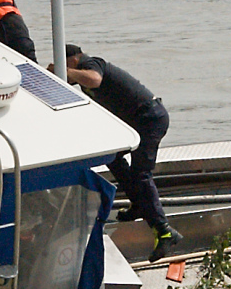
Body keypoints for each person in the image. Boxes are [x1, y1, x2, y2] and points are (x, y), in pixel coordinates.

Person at [62, 45, 182, 261]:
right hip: (133, 121)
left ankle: (164, 231)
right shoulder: (82, 82)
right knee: (114, 158)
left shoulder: (92, 63)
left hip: (150, 118)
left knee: (141, 173)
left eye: (64, 64)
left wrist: (66, 71)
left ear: (74, 59)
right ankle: (138, 203)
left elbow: (95, 79)